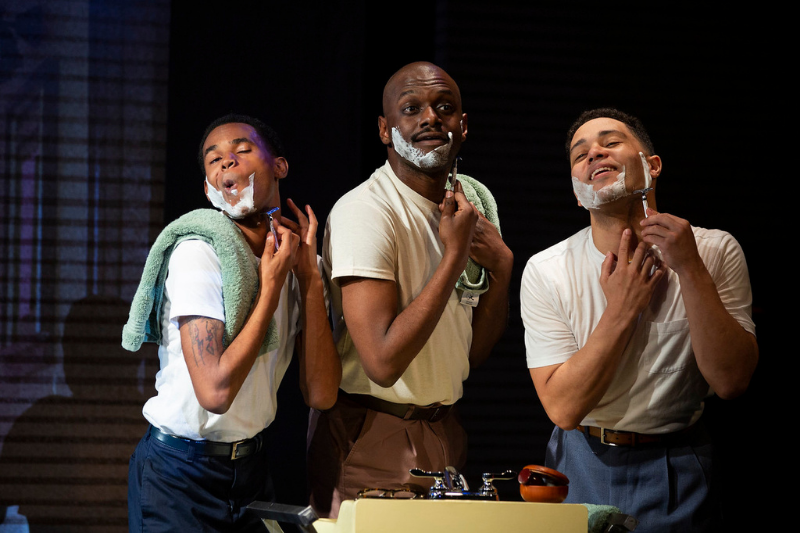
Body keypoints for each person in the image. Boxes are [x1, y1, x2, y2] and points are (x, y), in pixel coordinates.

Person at [520, 108, 758, 531]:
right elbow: (563, 408)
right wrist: (622, 309)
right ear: (577, 192)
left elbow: (731, 381)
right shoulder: (547, 269)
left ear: (652, 166)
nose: (594, 154)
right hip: (581, 458)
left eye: (610, 143)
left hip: (679, 459)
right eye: (580, 154)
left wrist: (691, 268)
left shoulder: (716, 251)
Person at [307, 61, 513, 518]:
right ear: (385, 130)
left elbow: (471, 355)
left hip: (445, 431)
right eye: (411, 108)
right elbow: (381, 362)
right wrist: (454, 256)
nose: (431, 118)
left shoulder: (466, 208)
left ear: (464, 126)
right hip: (372, 432)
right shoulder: (366, 211)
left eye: (444, 107)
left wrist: (503, 268)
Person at [122, 113, 341, 531]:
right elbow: (215, 392)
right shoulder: (198, 252)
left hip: (252, 470)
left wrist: (310, 282)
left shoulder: (297, 265)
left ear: (279, 166)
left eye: (241, 150)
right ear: (208, 187)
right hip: (179, 473)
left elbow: (321, 394)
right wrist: (271, 287)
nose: (227, 162)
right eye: (214, 159)